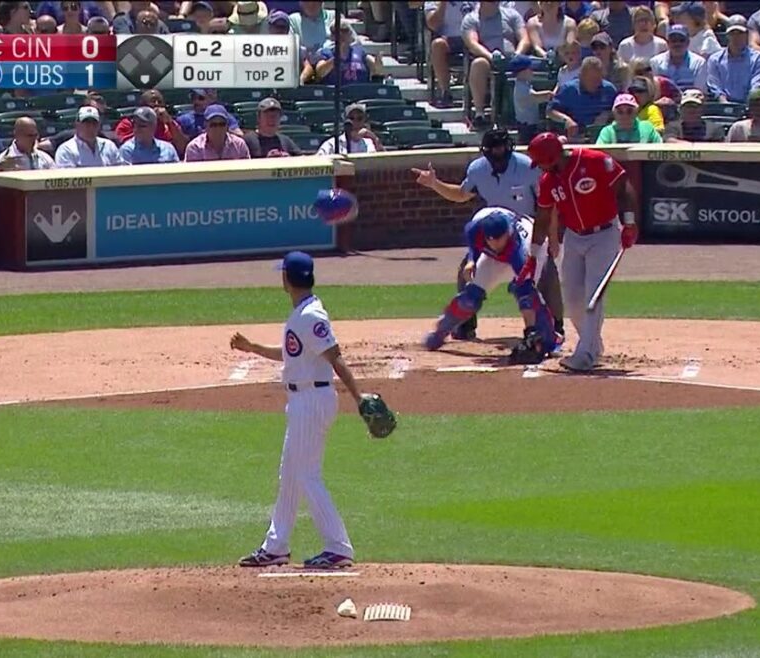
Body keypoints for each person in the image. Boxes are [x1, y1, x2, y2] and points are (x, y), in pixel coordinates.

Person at [231, 251, 375, 570]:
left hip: (312, 401)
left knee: (308, 475)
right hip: (301, 401)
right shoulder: (302, 314)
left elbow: (335, 357)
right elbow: (292, 355)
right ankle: (276, 546)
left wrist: (359, 396)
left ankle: (338, 547)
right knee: (290, 475)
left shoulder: (311, 316)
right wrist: (252, 348)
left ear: (287, 279)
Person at [410, 128, 565, 343]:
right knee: (468, 278)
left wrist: (553, 239)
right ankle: (459, 325)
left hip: (528, 228)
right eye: (492, 149)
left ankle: (552, 327)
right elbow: (462, 194)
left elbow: (547, 205)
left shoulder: (529, 167)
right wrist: (435, 184)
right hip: (493, 225)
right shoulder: (476, 220)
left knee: (539, 276)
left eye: (501, 148)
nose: (497, 154)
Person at [530, 132, 640, 372]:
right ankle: (592, 344)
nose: (540, 167)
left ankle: (586, 354)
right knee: (572, 298)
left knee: (594, 295)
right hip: (574, 236)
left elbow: (624, 187)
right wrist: (533, 253)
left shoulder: (594, 160)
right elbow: (543, 217)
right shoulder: (548, 180)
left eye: (542, 161)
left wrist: (629, 223)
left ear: (553, 156)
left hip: (604, 234)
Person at [421, 206, 563, 364]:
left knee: (526, 295)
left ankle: (551, 339)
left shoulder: (520, 249)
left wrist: (529, 331)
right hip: (494, 258)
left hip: (535, 252)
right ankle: (441, 331)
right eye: (490, 240)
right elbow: (473, 246)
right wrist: (471, 261)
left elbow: (525, 290)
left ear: (508, 233)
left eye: (499, 239)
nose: (495, 244)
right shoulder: (475, 229)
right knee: (470, 298)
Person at [460, 1, 529, 125]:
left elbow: (524, 38)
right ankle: (479, 114)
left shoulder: (512, 14)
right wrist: (491, 56)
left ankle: (527, 119)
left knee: (531, 66)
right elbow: (472, 43)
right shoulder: (471, 19)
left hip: (513, 60)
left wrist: (518, 54)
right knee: (478, 64)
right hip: (489, 60)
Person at [549, 56, 618, 139]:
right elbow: (551, 111)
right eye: (591, 79)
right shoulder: (569, 89)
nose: (595, 83)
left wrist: (608, 114)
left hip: (603, 135)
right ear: (581, 76)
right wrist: (567, 120)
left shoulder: (609, 89)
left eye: (598, 79)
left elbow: (621, 110)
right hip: (576, 135)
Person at [707, 17, 760, 104]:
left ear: (747, 34)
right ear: (727, 35)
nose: (736, 37)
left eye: (740, 33)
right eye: (732, 33)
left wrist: (747, 105)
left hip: (750, 105)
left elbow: (756, 86)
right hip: (723, 105)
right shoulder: (714, 59)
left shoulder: (759, 59)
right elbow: (715, 86)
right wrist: (724, 103)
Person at [114, 89, 188, 154]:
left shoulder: (168, 124)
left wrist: (169, 123)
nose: (157, 104)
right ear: (142, 105)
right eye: (153, 101)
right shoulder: (128, 123)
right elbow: (125, 146)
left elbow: (182, 148)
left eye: (159, 102)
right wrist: (145, 125)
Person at [55, 106, 125, 168]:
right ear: (77, 124)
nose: (91, 127)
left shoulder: (109, 146)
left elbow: (120, 171)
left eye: (94, 123)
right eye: (87, 123)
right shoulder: (66, 150)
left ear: (99, 124)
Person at [650, 25, 708, 92]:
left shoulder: (699, 63)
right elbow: (654, 91)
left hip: (690, 100)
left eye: (681, 40)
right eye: (673, 41)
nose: (677, 44)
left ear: (688, 42)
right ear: (668, 43)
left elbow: (699, 91)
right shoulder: (655, 62)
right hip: (663, 100)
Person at [508, 55, 553, 140]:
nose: (532, 72)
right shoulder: (520, 86)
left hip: (532, 125)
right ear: (522, 72)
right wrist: (549, 94)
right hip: (526, 127)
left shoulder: (525, 84)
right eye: (530, 69)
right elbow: (534, 97)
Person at [184, 105, 251, 161]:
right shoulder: (195, 147)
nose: (218, 129)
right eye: (213, 125)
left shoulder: (239, 145)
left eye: (221, 124)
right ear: (205, 125)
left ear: (227, 126)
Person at [315, 103, 384, 155]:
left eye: (359, 118)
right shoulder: (332, 144)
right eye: (351, 118)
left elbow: (385, 162)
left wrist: (374, 138)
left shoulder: (369, 143)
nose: (355, 122)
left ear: (364, 121)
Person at [596, 93, 663, 144]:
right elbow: (599, 154)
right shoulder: (607, 131)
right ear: (614, 113)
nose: (625, 115)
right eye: (620, 111)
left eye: (629, 111)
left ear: (636, 112)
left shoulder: (647, 128)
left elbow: (660, 148)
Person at [177, 89, 242, 140]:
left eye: (201, 98)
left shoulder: (224, 117)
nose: (196, 101)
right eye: (193, 97)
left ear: (211, 99)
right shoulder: (183, 119)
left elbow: (239, 135)